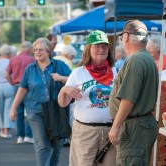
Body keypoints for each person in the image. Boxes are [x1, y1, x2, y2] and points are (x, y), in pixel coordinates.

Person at [58, 30, 117, 166]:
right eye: (97, 46)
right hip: (85, 133)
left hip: (111, 132)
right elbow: (62, 103)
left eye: (104, 46)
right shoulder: (78, 73)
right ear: (88, 49)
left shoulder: (117, 71)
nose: (101, 49)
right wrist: (64, 90)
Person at [9, 37, 71, 166]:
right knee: (42, 144)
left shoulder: (59, 65)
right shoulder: (29, 69)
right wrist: (13, 109)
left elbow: (73, 81)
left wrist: (60, 78)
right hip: (35, 111)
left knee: (57, 143)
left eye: (41, 50)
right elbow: (22, 89)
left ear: (49, 51)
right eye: (35, 50)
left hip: (57, 110)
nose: (37, 52)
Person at [108, 20, 159, 165]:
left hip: (134, 127)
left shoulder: (136, 60)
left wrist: (116, 125)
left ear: (126, 37)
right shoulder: (146, 58)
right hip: (140, 125)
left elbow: (129, 99)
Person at [6, 41, 35, 144]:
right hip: (28, 87)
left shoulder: (13, 59)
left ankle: (20, 136)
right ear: (28, 49)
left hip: (16, 86)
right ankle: (28, 134)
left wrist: (12, 83)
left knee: (19, 112)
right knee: (30, 110)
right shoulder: (32, 59)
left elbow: (7, 74)